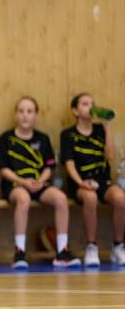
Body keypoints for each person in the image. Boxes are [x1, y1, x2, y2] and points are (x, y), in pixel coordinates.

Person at [0, 96, 77, 268]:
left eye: (29, 111)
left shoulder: (43, 138)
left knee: (61, 198)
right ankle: (19, 252)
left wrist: (40, 180)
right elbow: (2, 169)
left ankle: (62, 252)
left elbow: (49, 167)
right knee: (23, 199)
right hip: (16, 184)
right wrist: (22, 181)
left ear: (36, 115)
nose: (25, 115)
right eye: (21, 111)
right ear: (16, 114)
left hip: (38, 184)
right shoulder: (6, 139)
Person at [60, 93, 125, 267]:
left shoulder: (100, 131)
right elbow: (69, 165)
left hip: (102, 180)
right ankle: (91, 246)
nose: (90, 107)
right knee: (90, 197)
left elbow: (110, 156)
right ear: (75, 110)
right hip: (80, 182)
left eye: (92, 104)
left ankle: (118, 246)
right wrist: (81, 182)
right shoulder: (68, 134)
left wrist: (107, 127)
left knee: (120, 198)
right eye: (85, 103)